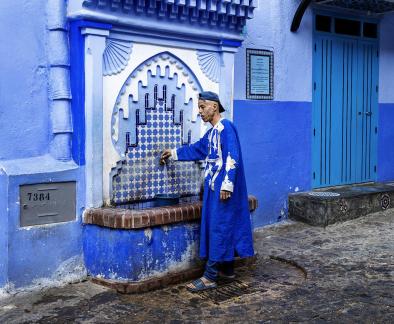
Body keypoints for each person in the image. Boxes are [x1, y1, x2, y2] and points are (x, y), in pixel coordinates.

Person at [160, 91, 254, 292]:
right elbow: (197, 149)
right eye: (199, 108)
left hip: (223, 188)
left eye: (202, 107)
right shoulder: (211, 133)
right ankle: (227, 270)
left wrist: (227, 185)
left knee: (219, 226)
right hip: (213, 188)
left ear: (214, 106)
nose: (200, 112)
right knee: (219, 225)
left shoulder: (226, 127)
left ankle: (210, 276)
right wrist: (174, 153)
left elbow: (232, 155)